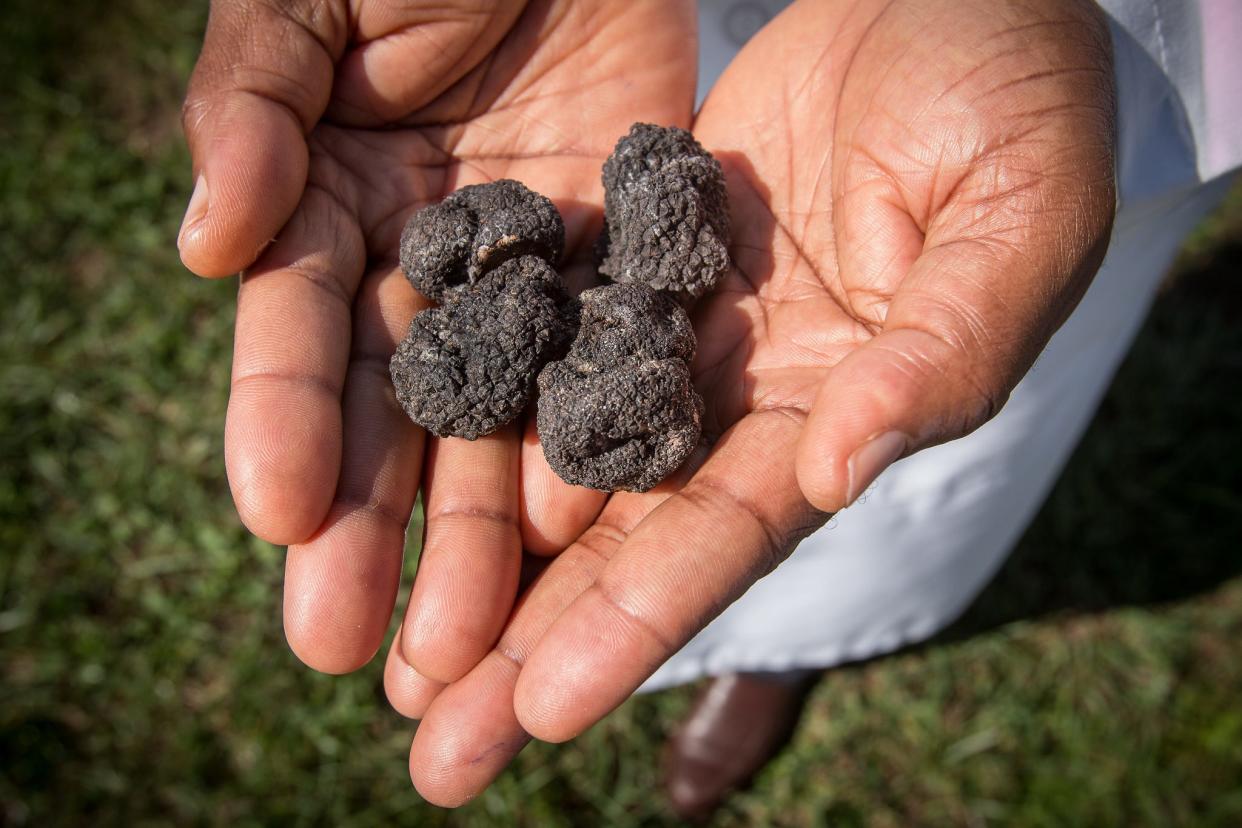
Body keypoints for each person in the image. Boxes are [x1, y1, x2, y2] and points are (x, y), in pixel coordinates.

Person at [177, 0, 1240, 817]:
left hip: (1017, 77)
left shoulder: (629, 293)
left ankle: (788, 651)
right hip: (637, 34)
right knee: (755, 472)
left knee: (891, 428)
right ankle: (750, 648)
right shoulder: (561, 286)